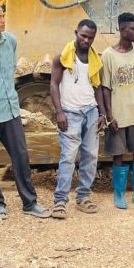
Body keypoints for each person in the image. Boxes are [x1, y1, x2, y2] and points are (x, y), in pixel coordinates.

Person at [0, 2, 51, 219]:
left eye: (3, 15)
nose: (3, 19)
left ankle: (30, 202)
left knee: (21, 157)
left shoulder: (11, 41)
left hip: (11, 111)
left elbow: (10, 74)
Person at [49, 20, 106, 218]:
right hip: (70, 113)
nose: (86, 40)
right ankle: (60, 201)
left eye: (90, 37)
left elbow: (96, 87)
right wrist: (59, 112)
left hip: (90, 111)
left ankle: (83, 197)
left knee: (90, 156)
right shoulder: (63, 57)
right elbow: (54, 84)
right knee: (68, 157)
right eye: (83, 35)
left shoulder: (95, 59)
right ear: (76, 32)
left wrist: (102, 113)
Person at [101, 12, 134, 210]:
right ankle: (119, 195)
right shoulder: (108, 55)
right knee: (118, 154)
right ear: (122, 30)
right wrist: (109, 115)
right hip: (118, 114)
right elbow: (105, 87)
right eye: (133, 29)